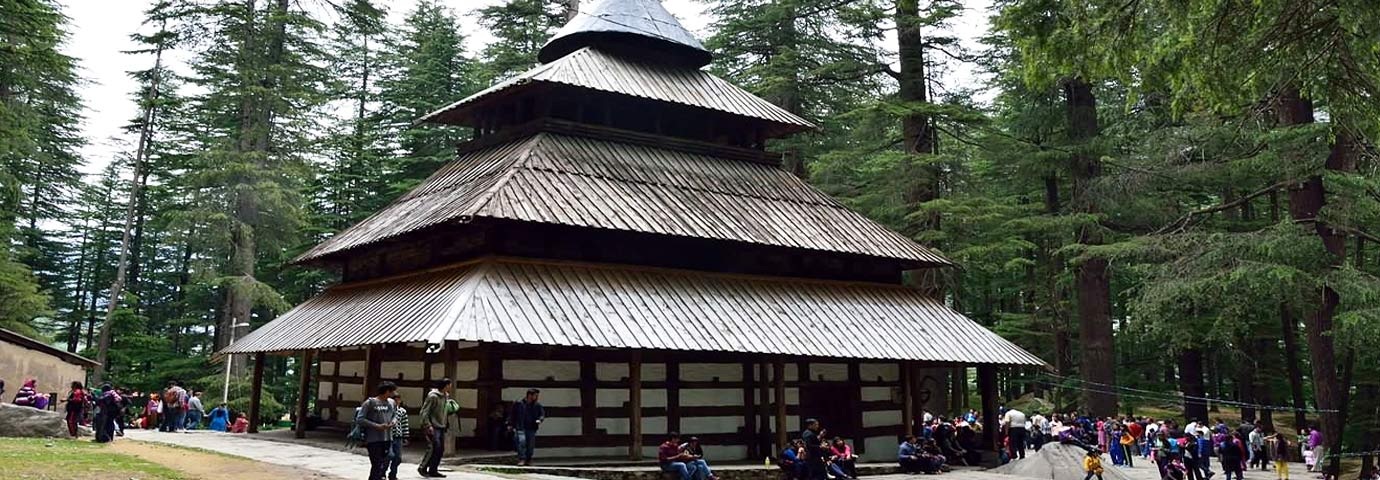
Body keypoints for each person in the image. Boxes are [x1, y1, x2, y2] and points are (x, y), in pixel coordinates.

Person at [357, 381, 399, 480]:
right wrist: (376, 426)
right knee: (376, 463)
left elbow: (395, 415)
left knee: (386, 460)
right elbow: (360, 419)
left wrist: (393, 422)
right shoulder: (370, 403)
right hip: (373, 439)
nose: (394, 394)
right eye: (392, 391)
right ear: (387, 391)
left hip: (387, 437)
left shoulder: (392, 403)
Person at [419, 378, 451, 478]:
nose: (450, 387)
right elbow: (425, 411)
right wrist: (427, 425)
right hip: (433, 425)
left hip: (441, 425)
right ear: (445, 386)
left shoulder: (446, 396)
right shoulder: (433, 396)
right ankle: (422, 467)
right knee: (434, 447)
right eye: (449, 385)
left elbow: (444, 411)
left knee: (440, 449)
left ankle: (433, 469)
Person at [507, 388, 545, 466]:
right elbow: (512, 414)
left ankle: (529, 459)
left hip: (531, 428)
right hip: (520, 427)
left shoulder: (537, 405)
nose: (536, 397)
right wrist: (510, 424)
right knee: (521, 442)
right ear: (529, 395)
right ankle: (522, 458)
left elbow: (542, 414)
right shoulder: (519, 404)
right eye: (535, 396)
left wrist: (539, 420)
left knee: (530, 445)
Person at [389, 396, 410, 480]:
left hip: (398, 436)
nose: (397, 401)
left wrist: (405, 436)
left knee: (398, 457)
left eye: (398, 400)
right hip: (389, 436)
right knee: (389, 456)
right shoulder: (388, 410)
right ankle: (382, 472)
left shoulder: (402, 411)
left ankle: (393, 474)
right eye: (395, 400)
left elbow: (405, 425)